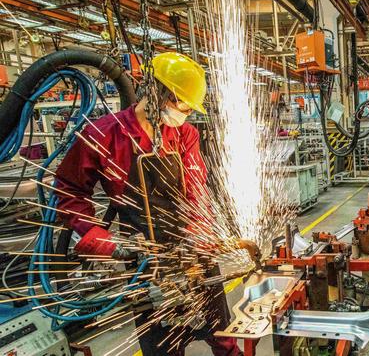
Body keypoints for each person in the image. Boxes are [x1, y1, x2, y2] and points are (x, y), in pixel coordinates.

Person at [55, 52, 241, 356]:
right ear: (155, 93)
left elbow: (196, 188)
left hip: (191, 248)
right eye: (181, 103)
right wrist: (99, 238)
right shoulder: (102, 134)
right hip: (141, 255)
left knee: (223, 333)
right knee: (162, 345)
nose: (185, 113)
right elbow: (70, 191)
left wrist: (199, 228)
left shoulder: (184, 133)